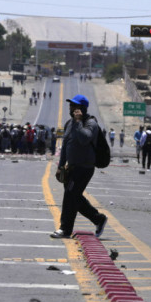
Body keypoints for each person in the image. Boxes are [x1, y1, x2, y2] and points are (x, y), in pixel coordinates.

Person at [50, 94, 107, 239]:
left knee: (70, 196)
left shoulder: (90, 123)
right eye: (70, 105)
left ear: (82, 108)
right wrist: (61, 165)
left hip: (84, 168)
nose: (71, 107)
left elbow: (84, 139)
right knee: (75, 197)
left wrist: (78, 122)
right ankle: (98, 219)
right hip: (72, 167)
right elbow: (65, 145)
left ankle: (65, 229)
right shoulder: (69, 123)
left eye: (74, 105)